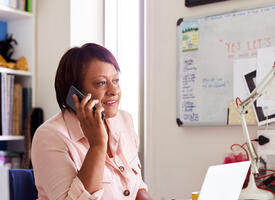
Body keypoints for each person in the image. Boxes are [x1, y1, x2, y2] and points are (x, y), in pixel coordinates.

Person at [31, 43, 152, 200]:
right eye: (101, 83)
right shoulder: (49, 136)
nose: (114, 90)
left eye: (115, 80)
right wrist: (97, 145)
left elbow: (136, 186)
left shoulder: (124, 120)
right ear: (75, 93)